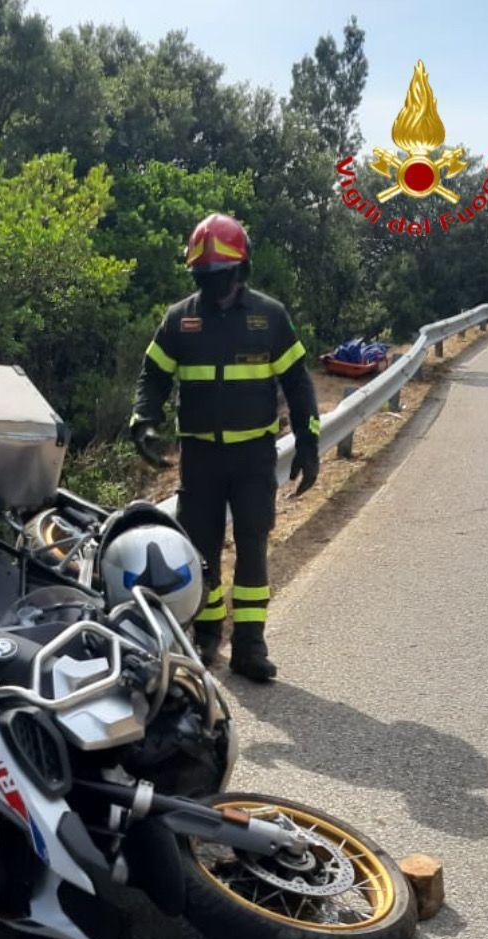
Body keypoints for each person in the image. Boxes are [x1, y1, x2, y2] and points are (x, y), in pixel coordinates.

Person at [129, 213, 320, 682]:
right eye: (205, 277)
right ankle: (209, 631)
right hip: (201, 458)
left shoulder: (269, 317)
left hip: (254, 456)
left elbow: (297, 382)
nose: (215, 286)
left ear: (242, 271)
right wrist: (143, 421)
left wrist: (309, 442)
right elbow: (152, 376)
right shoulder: (180, 319)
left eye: (222, 276)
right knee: (201, 550)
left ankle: (251, 646)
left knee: (253, 544)